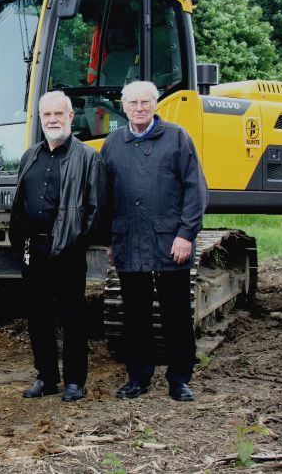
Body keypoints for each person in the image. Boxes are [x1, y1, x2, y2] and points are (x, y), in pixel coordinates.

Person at [101, 80, 208, 402]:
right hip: (128, 241)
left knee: (175, 313)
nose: (139, 108)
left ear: (156, 104)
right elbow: (105, 196)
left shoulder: (177, 138)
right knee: (135, 314)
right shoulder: (113, 144)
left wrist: (186, 234)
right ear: (123, 106)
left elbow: (195, 190)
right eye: (132, 102)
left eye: (145, 102)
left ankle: (179, 379)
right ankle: (138, 376)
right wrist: (109, 238)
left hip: (169, 243)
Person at [8, 91, 107, 402]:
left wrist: (76, 241)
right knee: (38, 316)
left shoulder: (87, 157)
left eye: (57, 114)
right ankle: (46, 377)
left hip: (67, 250)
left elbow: (96, 207)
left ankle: (75, 381)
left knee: (72, 316)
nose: (52, 119)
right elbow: (21, 202)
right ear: (40, 119)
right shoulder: (30, 156)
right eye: (46, 115)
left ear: (70, 117)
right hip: (33, 250)